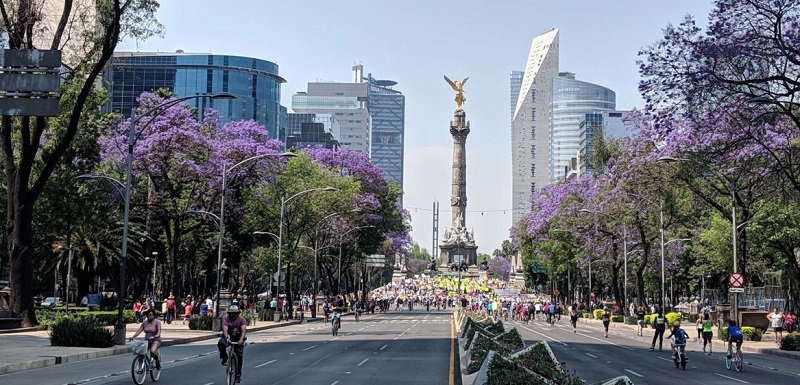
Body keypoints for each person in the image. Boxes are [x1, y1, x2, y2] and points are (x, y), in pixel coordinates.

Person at [218, 305, 247, 384]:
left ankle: (238, 375)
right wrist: (227, 338)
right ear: (229, 314)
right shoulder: (226, 320)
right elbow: (225, 329)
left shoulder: (242, 320)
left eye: (235, 313)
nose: (233, 315)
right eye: (232, 313)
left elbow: (243, 330)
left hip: (238, 338)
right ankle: (224, 357)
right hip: (229, 337)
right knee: (221, 343)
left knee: (239, 356)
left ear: (238, 313)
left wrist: (241, 340)